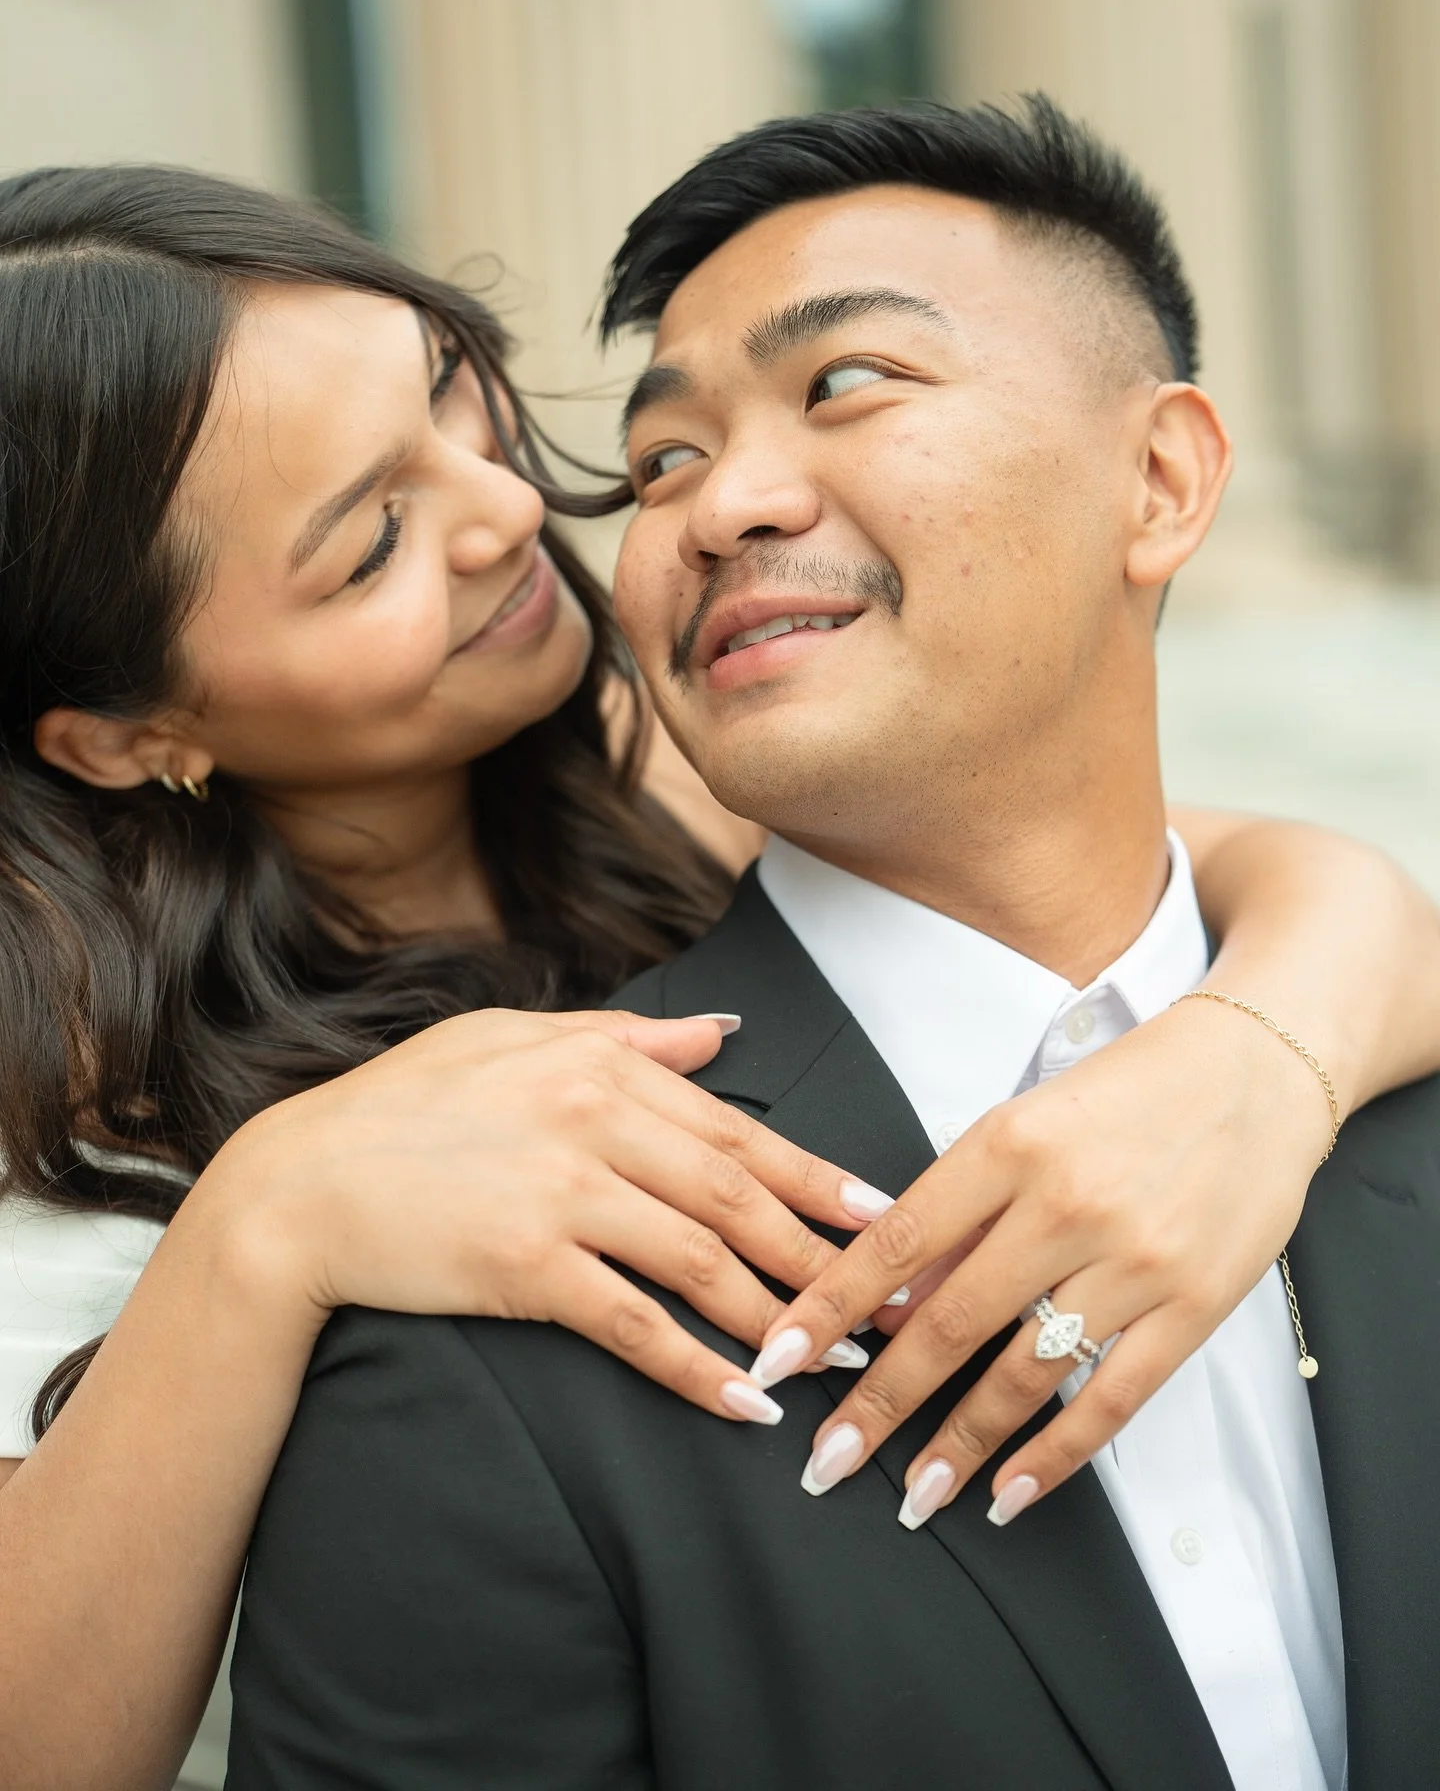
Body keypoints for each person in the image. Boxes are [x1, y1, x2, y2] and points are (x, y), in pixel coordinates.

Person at [1, 160, 1436, 1791]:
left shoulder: (674, 774)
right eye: (373, 540)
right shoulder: (72, 1120)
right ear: (129, 735)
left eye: (454, 397)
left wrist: (1247, 1063)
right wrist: (265, 1223)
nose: (510, 511)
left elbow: (1262, 881)